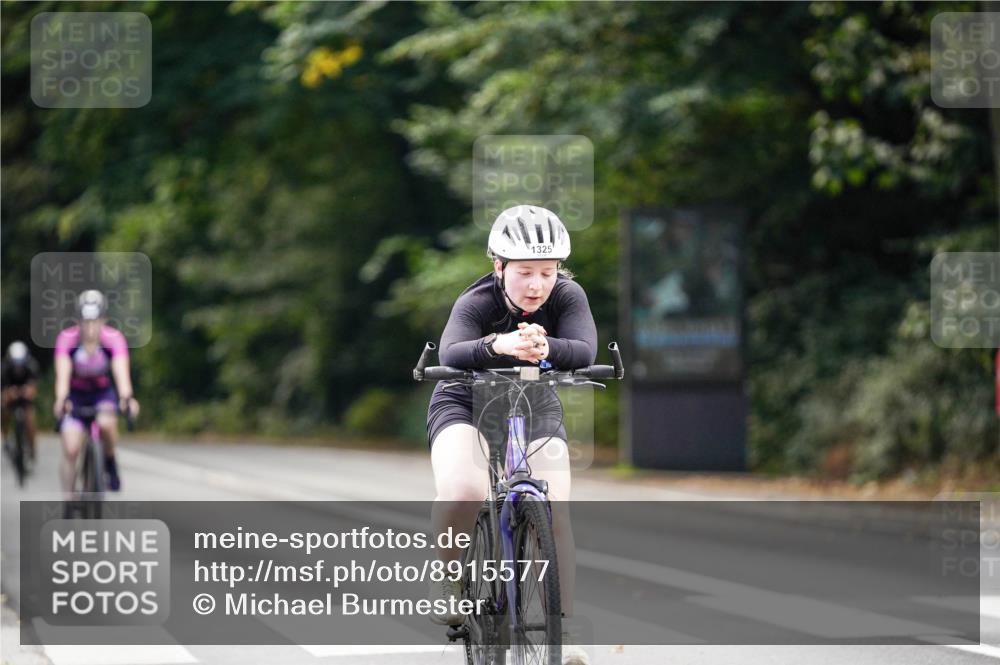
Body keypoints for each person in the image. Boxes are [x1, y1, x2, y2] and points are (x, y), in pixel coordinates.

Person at [426, 205, 596, 665]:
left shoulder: (568, 296)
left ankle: (560, 630)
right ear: (499, 266)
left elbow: (584, 348)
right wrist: (497, 345)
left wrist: (548, 348)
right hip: (464, 401)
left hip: (533, 403)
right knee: (465, 488)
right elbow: (451, 350)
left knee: (555, 508)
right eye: (524, 272)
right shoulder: (477, 301)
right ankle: (452, 583)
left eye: (547, 272)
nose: (537, 285)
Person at [53, 290, 139, 496]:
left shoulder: (113, 339)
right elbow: (62, 375)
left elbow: (121, 372)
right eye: (85, 321)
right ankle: (69, 496)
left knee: (106, 423)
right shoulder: (67, 339)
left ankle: (109, 461)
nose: (90, 327)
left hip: (102, 393)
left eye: (95, 321)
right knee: (71, 448)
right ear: (78, 321)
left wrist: (127, 398)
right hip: (76, 394)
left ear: (104, 320)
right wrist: (61, 400)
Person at [1, 341, 40, 467]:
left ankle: (32, 449)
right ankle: (6, 438)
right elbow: (2, 390)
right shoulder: (4, 369)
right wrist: (8, 394)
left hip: (25, 399)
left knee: (30, 421)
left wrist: (28, 391)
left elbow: (34, 388)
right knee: (4, 412)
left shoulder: (32, 366)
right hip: (10, 397)